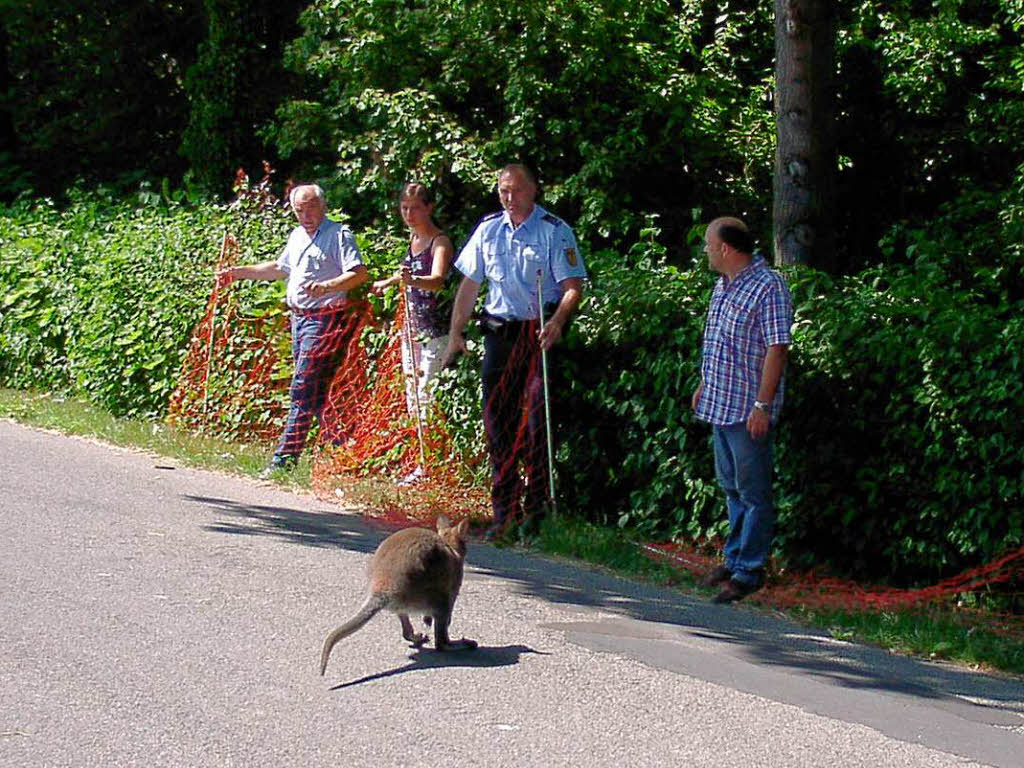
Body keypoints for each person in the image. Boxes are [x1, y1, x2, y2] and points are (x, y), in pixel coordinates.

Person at [444, 164, 586, 540]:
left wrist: (558, 321)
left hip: (539, 331)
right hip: (499, 333)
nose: (509, 198)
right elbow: (470, 283)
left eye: (516, 191)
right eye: (503, 191)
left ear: (533, 190)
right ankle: (504, 510)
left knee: (538, 422)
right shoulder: (489, 229)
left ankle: (537, 511)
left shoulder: (554, 231)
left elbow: (573, 286)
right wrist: (456, 332)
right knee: (498, 422)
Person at [217, 183, 368, 477]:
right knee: (317, 390)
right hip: (298, 318)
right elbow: (279, 268)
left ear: (322, 206)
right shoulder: (297, 235)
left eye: (310, 207)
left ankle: (284, 460)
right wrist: (238, 273)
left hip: (324, 318)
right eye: (299, 210)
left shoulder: (338, 235)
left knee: (301, 386)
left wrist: (327, 286)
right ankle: (340, 452)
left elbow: (359, 273)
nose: (305, 215)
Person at [691, 217, 793, 603]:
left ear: (726, 249)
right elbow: (718, 342)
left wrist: (762, 405)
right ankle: (733, 559)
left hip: (746, 408)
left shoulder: (768, 287)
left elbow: (776, 348)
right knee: (732, 488)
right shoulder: (724, 285)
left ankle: (749, 570)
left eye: (708, 244)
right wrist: (705, 383)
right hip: (721, 404)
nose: (705, 251)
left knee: (753, 493)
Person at [371, 183, 455, 423]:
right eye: (405, 208)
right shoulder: (413, 238)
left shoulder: (439, 242)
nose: (409, 214)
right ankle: (418, 451)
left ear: (430, 208)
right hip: (412, 327)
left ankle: (433, 447)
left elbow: (437, 280)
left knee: (427, 390)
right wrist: (387, 282)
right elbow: (407, 273)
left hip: (436, 330)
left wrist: (413, 280)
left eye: (415, 208)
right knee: (412, 389)